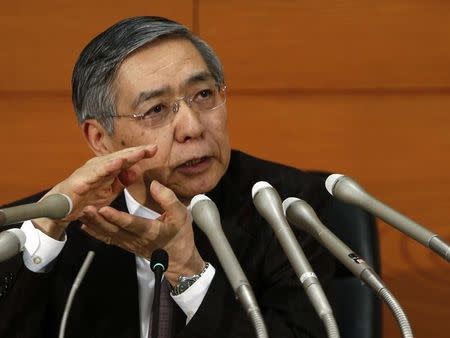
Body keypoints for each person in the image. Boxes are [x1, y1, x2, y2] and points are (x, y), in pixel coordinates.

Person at [0, 16, 335, 338]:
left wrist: (188, 274)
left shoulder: (285, 208)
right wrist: (43, 237)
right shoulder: (51, 224)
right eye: (156, 109)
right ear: (101, 139)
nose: (193, 127)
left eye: (203, 95)